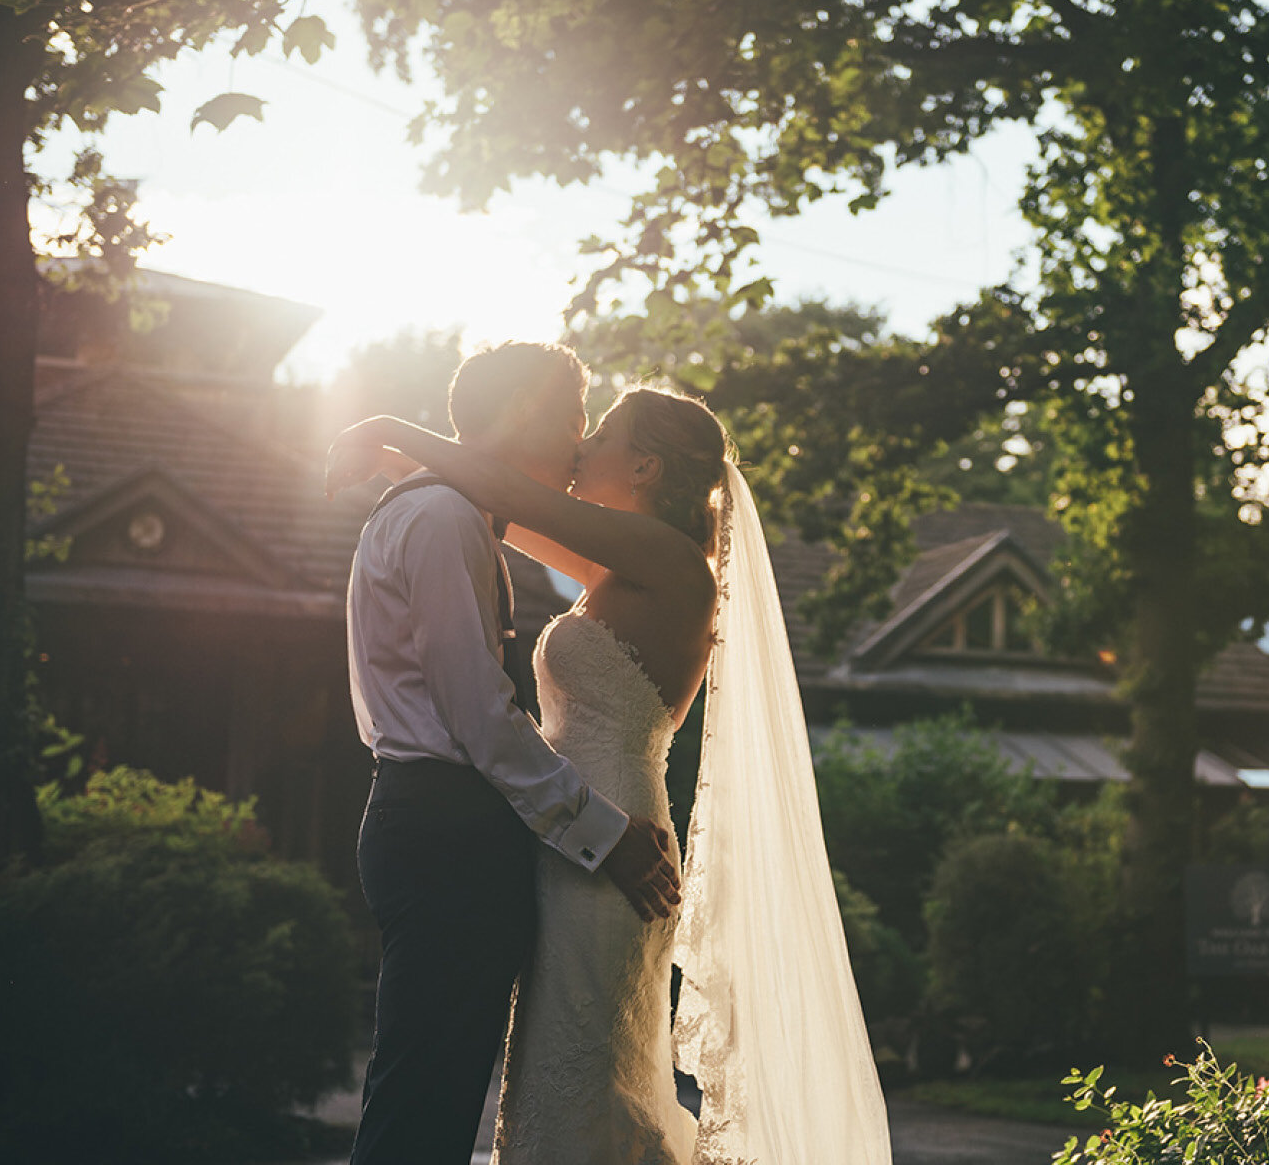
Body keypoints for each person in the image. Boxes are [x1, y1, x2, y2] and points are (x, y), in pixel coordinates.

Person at [328, 378, 891, 1165]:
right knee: (562, 1074)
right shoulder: (622, 570)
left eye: (605, 435)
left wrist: (391, 426)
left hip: (611, 838)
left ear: (646, 470)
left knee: (587, 1074)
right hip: (575, 833)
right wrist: (400, 467)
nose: (584, 445)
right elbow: (502, 507)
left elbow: (506, 492)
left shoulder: (666, 558)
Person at [338, 342, 682, 1165]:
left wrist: (396, 441)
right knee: (424, 1096)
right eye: (573, 418)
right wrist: (598, 832)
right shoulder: (442, 518)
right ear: (527, 409)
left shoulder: (452, 511)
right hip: (443, 827)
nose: (578, 443)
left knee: (437, 1091)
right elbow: (478, 714)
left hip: (445, 822)